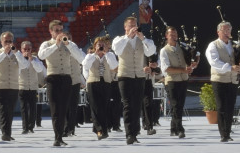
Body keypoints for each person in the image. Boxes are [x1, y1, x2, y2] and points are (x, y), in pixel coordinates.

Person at [38, 20, 84, 147]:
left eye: (61, 30)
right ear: (51, 31)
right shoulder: (46, 44)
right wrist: (56, 45)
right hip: (53, 78)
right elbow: (41, 55)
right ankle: (57, 137)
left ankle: (61, 135)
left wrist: (68, 44)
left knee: (64, 108)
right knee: (55, 109)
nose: (59, 33)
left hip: (66, 78)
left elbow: (81, 58)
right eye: (57, 30)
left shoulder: (69, 44)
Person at [113, 17, 156, 145]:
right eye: (130, 25)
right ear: (125, 27)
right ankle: (129, 133)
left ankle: (135, 132)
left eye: (135, 25)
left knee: (137, 105)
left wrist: (142, 38)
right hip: (125, 75)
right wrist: (128, 37)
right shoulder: (119, 39)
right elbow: (117, 50)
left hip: (139, 76)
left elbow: (151, 51)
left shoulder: (142, 40)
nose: (133, 28)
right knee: (127, 104)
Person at [206, 21, 240, 142]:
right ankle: (223, 133)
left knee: (230, 107)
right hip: (219, 79)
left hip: (232, 79)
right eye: (225, 30)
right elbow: (214, 62)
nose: (227, 33)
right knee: (222, 106)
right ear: (218, 32)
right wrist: (230, 67)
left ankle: (228, 131)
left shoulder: (235, 45)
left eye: (229, 30)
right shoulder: (213, 45)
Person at [159, 26, 196, 138]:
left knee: (179, 105)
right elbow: (166, 68)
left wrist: (192, 64)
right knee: (175, 104)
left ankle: (173, 128)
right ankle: (180, 128)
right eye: (171, 35)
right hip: (171, 81)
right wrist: (183, 70)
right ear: (167, 36)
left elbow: (191, 58)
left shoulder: (182, 48)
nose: (174, 37)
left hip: (183, 79)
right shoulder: (164, 50)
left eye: (175, 35)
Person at [0, 32, 23, 142]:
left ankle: (7, 132)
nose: (8, 43)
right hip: (0, 86)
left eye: (10, 41)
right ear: (1, 42)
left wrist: (16, 53)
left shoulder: (16, 54)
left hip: (13, 86)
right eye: (6, 41)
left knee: (10, 110)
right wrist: (4, 52)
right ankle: (5, 133)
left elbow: (25, 65)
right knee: (3, 110)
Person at [82, 35, 117, 140]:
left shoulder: (110, 55)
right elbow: (85, 65)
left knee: (104, 107)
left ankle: (102, 130)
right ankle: (99, 129)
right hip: (93, 82)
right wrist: (95, 54)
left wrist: (106, 54)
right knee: (95, 107)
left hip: (105, 82)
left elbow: (114, 66)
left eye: (103, 45)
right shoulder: (90, 56)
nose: (101, 46)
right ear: (94, 46)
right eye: (99, 45)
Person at [17, 40, 44, 134]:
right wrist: (23, 58)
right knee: (24, 108)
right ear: (21, 49)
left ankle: (31, 126)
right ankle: (25, 127)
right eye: (25, 49)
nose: (27, 51)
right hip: (22, 86)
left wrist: (31, 59)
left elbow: (39, 69)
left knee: (33, 108)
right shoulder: (18, 58)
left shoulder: (35, 59)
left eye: (29, 49)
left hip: (33, 87)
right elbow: (18, 70)